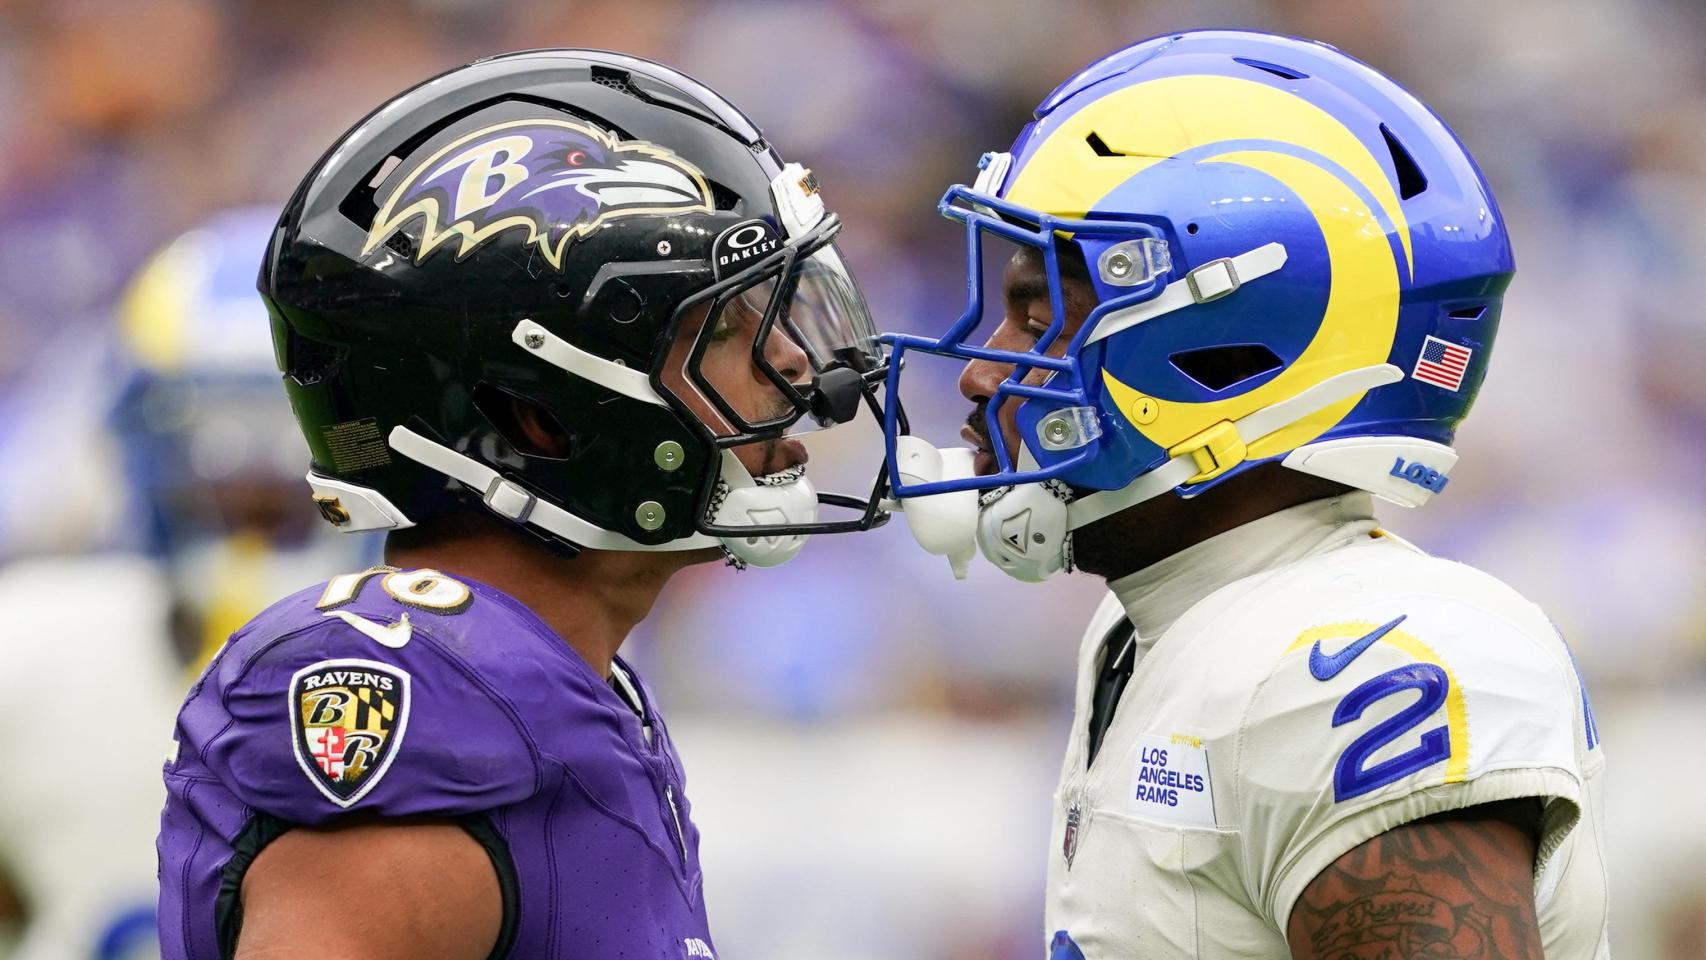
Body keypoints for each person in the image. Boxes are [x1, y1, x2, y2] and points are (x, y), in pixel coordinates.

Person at [882, 30, 1607, 959]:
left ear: (1228, 354)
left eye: (1040, 315)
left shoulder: (1363, 667)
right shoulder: (1154, 624)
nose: (985, 377)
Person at [155, 50, 889, 960]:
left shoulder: (556, 680)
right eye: (727, 328)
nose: (793, 364)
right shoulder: (421, 692)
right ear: (542, 415)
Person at [0, 208, 373, 960]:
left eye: (295, 441)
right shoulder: (34, 658)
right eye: (213, 441)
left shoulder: (478, 686)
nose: (256, 486)